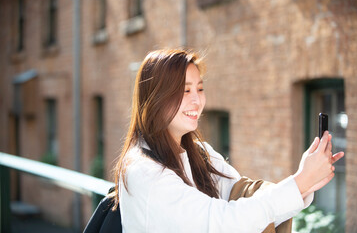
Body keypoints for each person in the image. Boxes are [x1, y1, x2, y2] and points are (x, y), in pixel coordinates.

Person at [112, 49, 344, 232]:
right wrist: (300, 182)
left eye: (199, 89)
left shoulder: (200, 153)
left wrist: (307, 180)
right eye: (185, 91)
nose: (197, 101)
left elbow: (244, 199)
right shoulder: (143, 172)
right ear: (155, 99)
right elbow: (222, 223)